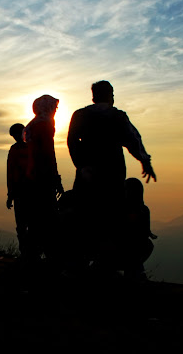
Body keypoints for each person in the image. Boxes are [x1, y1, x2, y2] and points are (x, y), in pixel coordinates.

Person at [67, 81, 155, 269]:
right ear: (110, 95)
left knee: (84, 215)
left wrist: (82, 166)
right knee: (111, 216)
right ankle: (106, 263)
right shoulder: (117, 117)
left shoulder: (80, 115)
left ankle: (81, 262)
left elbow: (71, 142)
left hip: (87, 175)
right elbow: (133, 140)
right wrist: (145, 161)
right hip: (112, 173)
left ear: (93, 96)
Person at [24, 95, 64, 262]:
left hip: (32, 176)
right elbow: (49, 152)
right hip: (43, 176)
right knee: (48, 215)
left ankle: (32, 253)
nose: (56, 110)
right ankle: (49, 254)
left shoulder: (33, 125)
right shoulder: (45, 125)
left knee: (36, 216)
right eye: (54, 107)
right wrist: (56, 178)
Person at [122, 177, 158, 281]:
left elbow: (144, 232)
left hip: (131, 247)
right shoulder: (142, 210)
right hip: (127, 247)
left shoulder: (141, 210)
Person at [6, 123, 31, 257]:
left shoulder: (27, 148)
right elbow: (10, 173)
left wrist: (10, 194)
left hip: (26, 191)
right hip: (23, 191)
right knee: (24, 224)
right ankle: (27, 253)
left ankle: (27, 253)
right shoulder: (17, 149)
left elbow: (10, 173)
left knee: (24, 224)